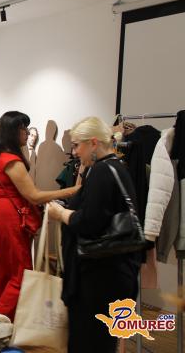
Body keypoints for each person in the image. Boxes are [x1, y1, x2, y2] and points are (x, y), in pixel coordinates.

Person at [48, 117, 141, 352]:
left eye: (77, 145)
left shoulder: (102, 171)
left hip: (99, 278)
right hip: (110, 274)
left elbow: (89, 222)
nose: (74, 151)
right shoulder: (116, 168)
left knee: (89, 342)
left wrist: (61, 214)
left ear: (93, 143)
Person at [0, 111, 78, 319]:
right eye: (23, 128)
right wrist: (71, 191)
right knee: (21, 275)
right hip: (9, 218)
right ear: (12, 131)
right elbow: (33, 196)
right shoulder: (10, 160)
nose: (26, 133)